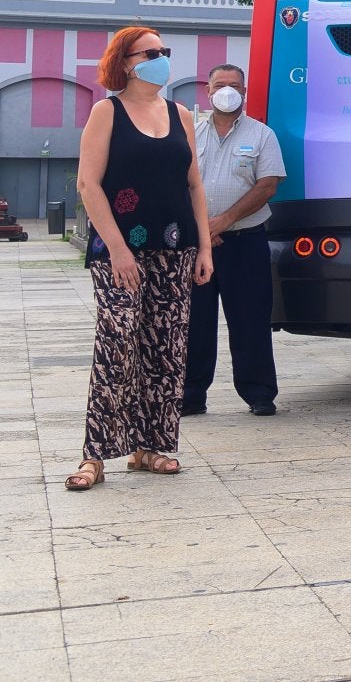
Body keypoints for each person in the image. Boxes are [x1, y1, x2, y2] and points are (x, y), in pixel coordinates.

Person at [64, 27, 214, 490]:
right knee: (117, 347)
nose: (162, 58)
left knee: (166, 348)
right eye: (152, 52)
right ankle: (96, 455)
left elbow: (193, 184)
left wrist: (205, 246)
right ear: (127, 61)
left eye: (165, 52)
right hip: (120, 251)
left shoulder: (181, 114)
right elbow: (89, 184)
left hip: (175, 248)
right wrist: (118, 249)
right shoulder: (106, 112)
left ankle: (150, 448)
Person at [183, 63, 286, 418]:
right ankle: (191, 395)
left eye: (234, 85)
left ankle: (259, 393)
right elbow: (179, 184)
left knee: (250, 320)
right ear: (207, 92)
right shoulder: (190, 134)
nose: (227, 91)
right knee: (195, 321)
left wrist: (224, 222)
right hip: (198, 245)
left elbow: (268, 184)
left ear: (244, 92)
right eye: (219, 84)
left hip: (244, 241)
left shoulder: (262, 135)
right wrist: (203, 231)